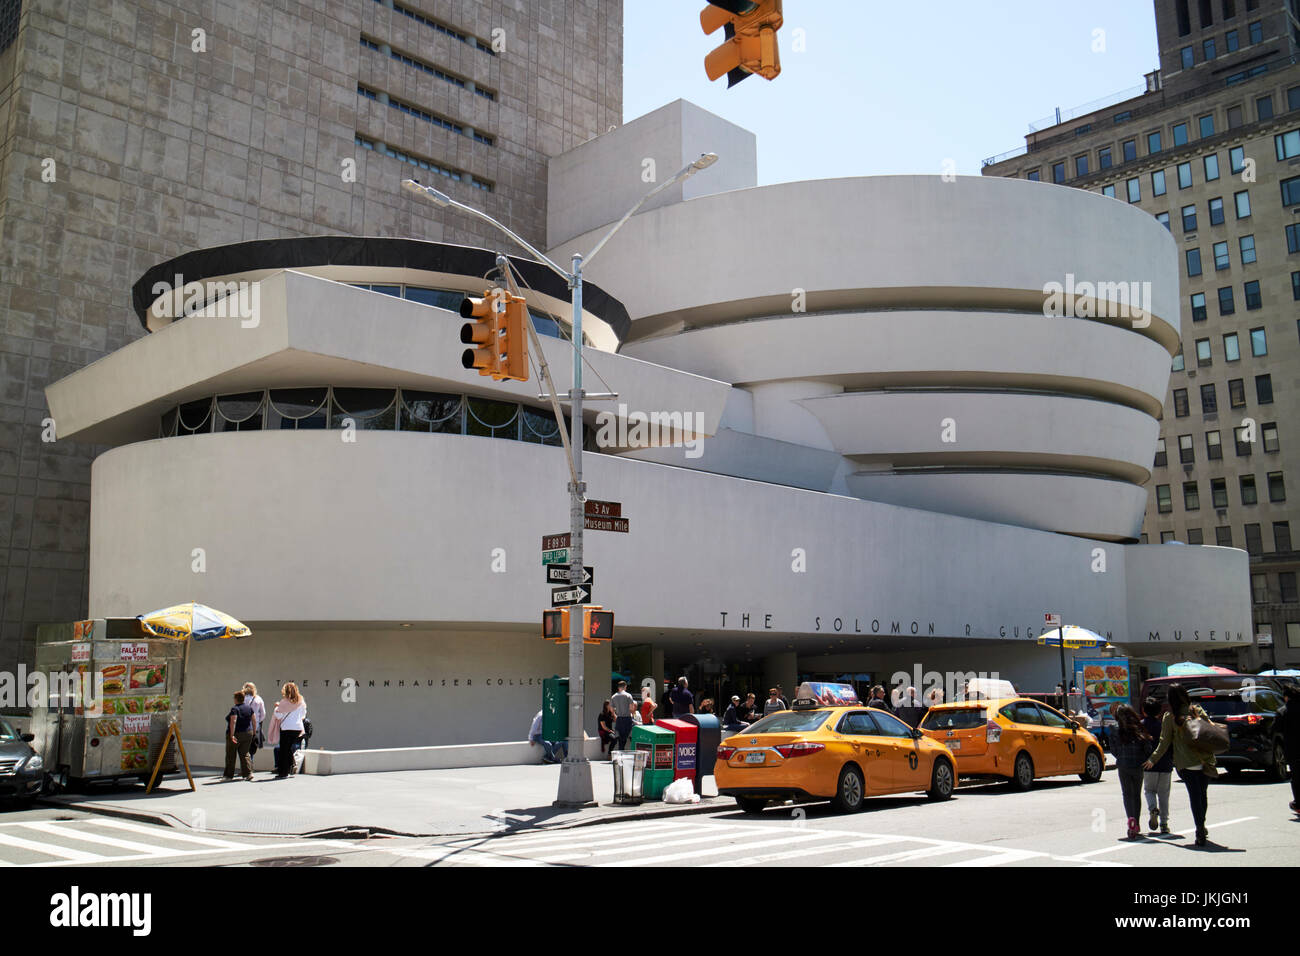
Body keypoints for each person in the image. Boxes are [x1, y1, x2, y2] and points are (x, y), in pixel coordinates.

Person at [1144, 683, 1218, 847]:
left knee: (1194, 796)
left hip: (1186, 763)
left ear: (1170, 699)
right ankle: (1201, 825)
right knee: (1202, 794)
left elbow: (1164, 742)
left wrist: (1152, 759)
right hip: (1204, 760)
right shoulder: (1196, 710)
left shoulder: (1170, 716)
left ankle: (1199, 827)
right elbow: (1210, 730)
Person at [1112, 704, 1153, 839]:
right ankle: (1136, 821)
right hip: (1137, 765)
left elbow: (1113, 749)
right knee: (1136, 795)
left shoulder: (1114, 729)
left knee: (1127, 794)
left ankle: (1131, 819)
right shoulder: (1139, 729)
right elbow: (1148, 748)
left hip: (1123, 765)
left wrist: (1121, 756)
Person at [1141, 696, 1174, 834]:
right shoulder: (1163, 725)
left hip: (1148, 764)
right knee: (1164, 794)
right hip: (1165, 764)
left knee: (1149, 790)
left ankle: (1153, 808)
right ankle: (1164, 823)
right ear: (1159, 712)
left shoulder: (1141, 725)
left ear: (1144, 711)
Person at [268, 682, 307, 778]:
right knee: (288, 748)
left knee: (284, 750)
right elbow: (303, 715)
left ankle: (283, 772)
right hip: (297, 728)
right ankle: (291, 765)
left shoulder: (284, 702)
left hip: (286, 728)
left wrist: (276, 707)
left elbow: (278, 715)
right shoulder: (301, 702)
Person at [1277, 684, 1300, 814]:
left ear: (1286, 697)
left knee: (1296, 777)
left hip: (1293, 749)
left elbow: (1277, 728)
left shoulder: (1283, 711)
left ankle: (1298, 803)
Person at [223, 690, 255, 781]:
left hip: (236, 734)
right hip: (248, 733)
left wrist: (232, 735)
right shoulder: (249, 708)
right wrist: (253, 731)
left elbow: (233, 721)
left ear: (236, 699)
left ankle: (228, 775)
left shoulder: (235, 709)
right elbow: (254, 719)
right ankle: (248, 774)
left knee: (231, 754)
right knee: (245, 754)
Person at [611, 680, 636, 750]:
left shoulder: (613, 696)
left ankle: (620, 756)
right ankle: (634, 753)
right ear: (625, 686)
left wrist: (615, 715)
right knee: (631, 737)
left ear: (618, 687)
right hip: (627, 718)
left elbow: (611, 709)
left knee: (621, 740)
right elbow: (631, 708)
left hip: (619, 719)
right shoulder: (628, 695)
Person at [242, 681, 265, 758]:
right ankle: (250, 765)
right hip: (255, 726)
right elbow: (263, 714)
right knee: (252, 747)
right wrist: (258, 721)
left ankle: (246, 766)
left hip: (244, 727)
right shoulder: (258, 699)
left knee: (244, 747)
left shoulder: (242, 699)